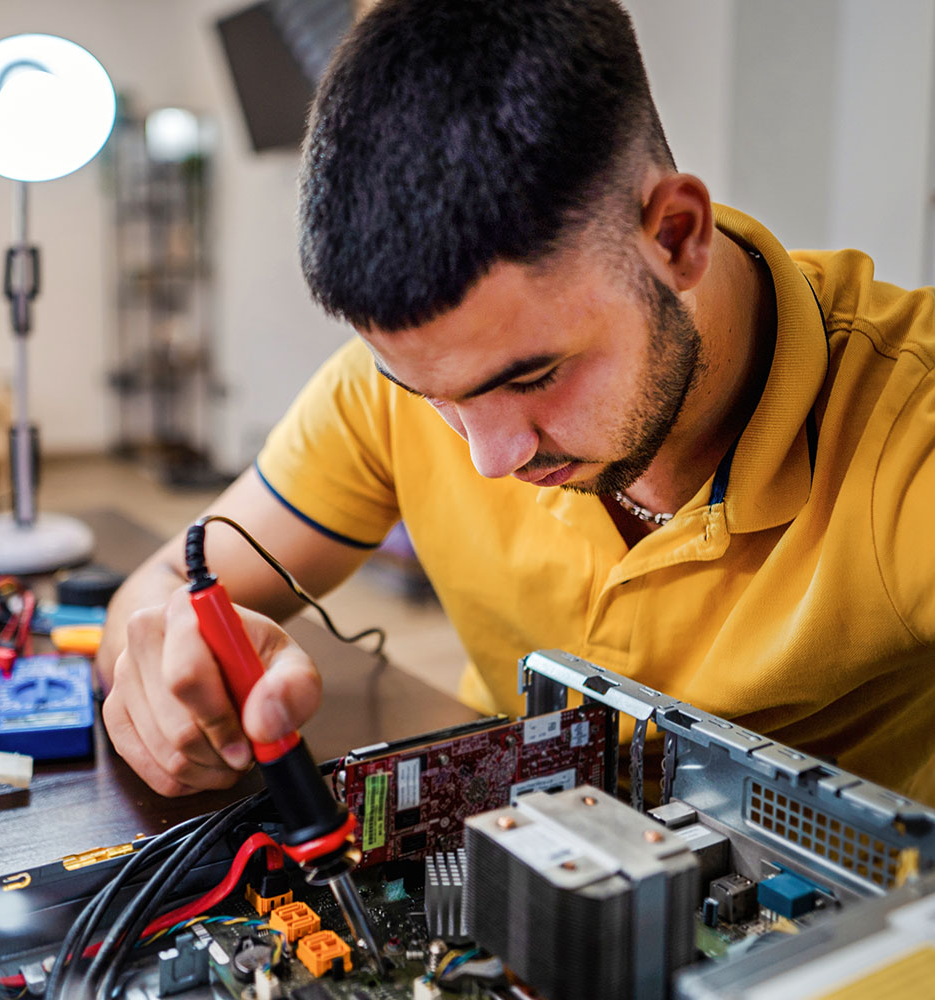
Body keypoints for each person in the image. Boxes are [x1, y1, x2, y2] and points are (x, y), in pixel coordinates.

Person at [98, 0, 935, 805]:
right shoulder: (381, 391)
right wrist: (175, 681)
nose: (490, 458)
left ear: (675, 236)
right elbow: (164, 587)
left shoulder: (910, 428)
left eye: (532, 377)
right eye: (431, 395)